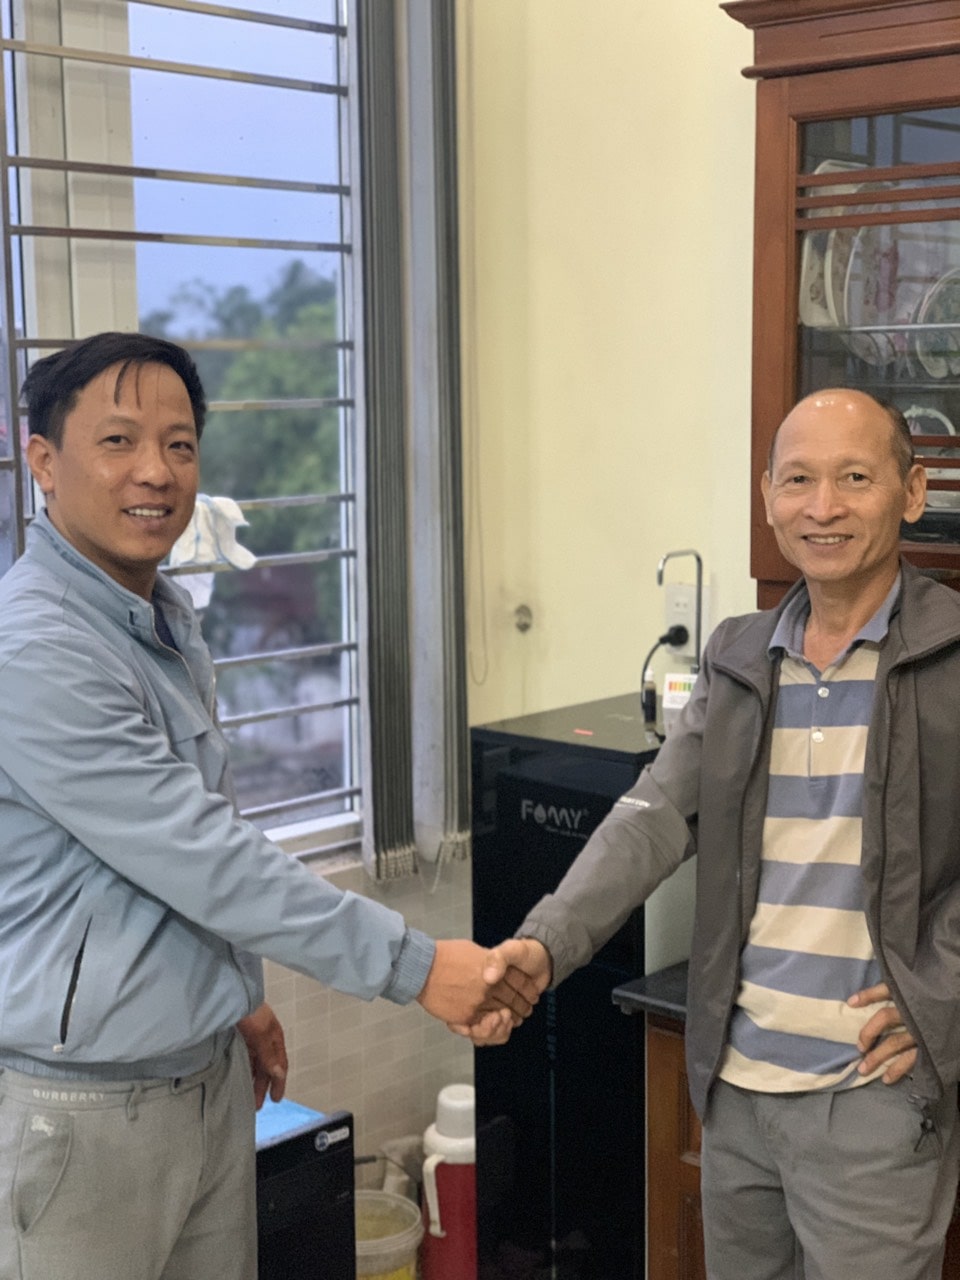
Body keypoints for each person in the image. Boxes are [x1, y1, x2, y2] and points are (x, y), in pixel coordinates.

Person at [0, 331, 538, 1280]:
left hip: (203, 1080)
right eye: (118, 441)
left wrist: (238, 998)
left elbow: (200, 828)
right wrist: (417, 966)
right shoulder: (38, 647)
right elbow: (198, 853)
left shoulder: (158, 615)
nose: (156, 471)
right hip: (85, 1114)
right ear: (43, 460)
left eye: (179, 444)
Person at [474, 387, 960, 1280]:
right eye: (798, 479)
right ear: (767, 495)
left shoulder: (950, 654)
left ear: (912, 490)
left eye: (855, 478)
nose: (823, 506)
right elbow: (652, 816)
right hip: (736, 1090)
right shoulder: (739, 659)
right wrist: (544, 944)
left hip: (874, 1097)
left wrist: (945, 996)